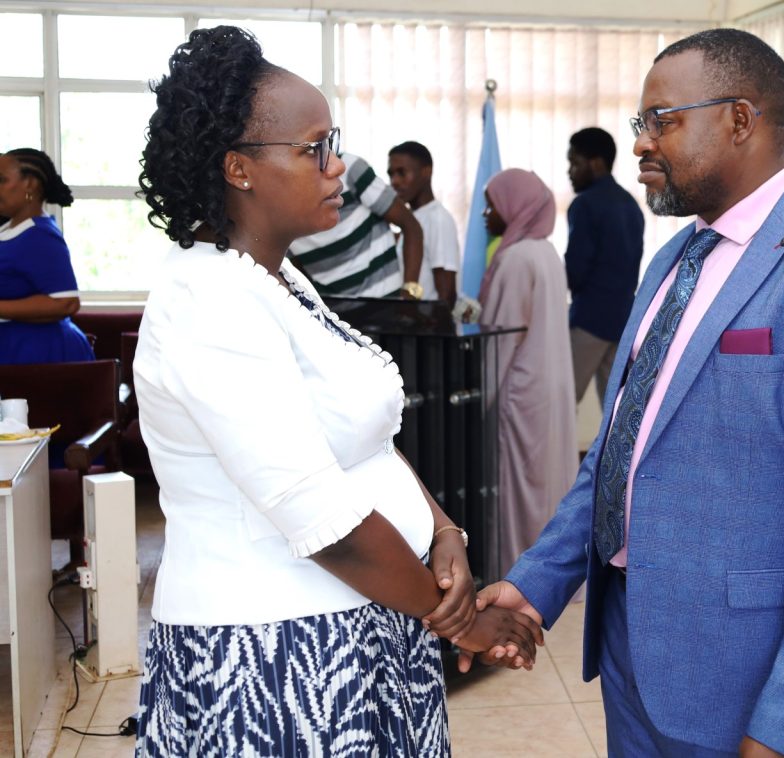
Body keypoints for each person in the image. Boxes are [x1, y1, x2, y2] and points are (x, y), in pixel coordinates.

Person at [466, 28, 784, 758]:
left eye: (661, 121)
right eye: (640, 123)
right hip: (630, 646)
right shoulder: (675, 258)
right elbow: (617, 455)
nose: (641, 143)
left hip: (746, 674)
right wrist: (536, 582)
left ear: (741, 119)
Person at [134, 26, 540, 757]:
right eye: (314, 148)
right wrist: (462, 621)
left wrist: (444, 530)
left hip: (361, 624)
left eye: (336, 143)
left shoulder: (280, 279)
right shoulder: (207, 299)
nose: (339, 169)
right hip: (273, 657)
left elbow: (366, 444)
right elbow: (324, 518)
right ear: (239, 169)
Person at [478, 168, 577, 578]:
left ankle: (519, 573)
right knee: (548, 485)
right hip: (550, 384)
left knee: (518, 488)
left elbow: (500, 339)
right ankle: (552, 573)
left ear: (515, 208)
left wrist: (482, 399)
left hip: (520, 389)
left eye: (493, 204)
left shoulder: (516, 258)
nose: (486, 215)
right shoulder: (546, 251)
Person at [564, 128, 644, 407]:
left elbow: (576, 268)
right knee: (617, 411)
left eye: (574, 162)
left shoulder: (584, 205)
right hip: (623, 319)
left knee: (560, 404)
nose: (569, 171)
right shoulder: (630, 204)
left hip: (589, 321)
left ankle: (553, 454)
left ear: (595, 163)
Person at [288, 149, 426, 300]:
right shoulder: (275, 203)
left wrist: (409, 296)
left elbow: (411, 225)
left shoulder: (349, 168)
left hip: (386, 306)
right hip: (334, 314)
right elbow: (295, 270)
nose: (337, 165)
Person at [0, 148, 94, 365]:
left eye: (2, 180)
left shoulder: (39, 235)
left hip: (40, 356)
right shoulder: (11, 230)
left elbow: (66, 302)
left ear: (30, 184)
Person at [387, 141, 460, 308]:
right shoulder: (411, 220)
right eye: (391, 174)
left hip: (428, 328)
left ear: (426, 172)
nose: (395, 181)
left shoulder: (438, 219)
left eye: (402, 173)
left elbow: (447, 293)